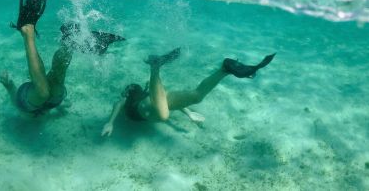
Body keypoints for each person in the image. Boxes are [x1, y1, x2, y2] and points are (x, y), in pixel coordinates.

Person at [0, 0, 125, 116]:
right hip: (53, 102)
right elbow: (57, 104)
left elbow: (14, 99)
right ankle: (70, 42)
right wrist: (60, 107)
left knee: (43, 93)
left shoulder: (24, 112)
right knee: (56, 88)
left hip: (26, 103)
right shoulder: (50, 108)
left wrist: (9, 85)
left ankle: (28, 32)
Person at [101, 48, 275, 136]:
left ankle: (155, 66)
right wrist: (189, 112)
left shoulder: (132, 96)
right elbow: (164, 101)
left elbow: (118, 103)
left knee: (163, 116)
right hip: (157, 99)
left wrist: (110, 122)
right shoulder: (146, 93)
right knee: (197, 96)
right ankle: (225, 69)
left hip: (150, 105)